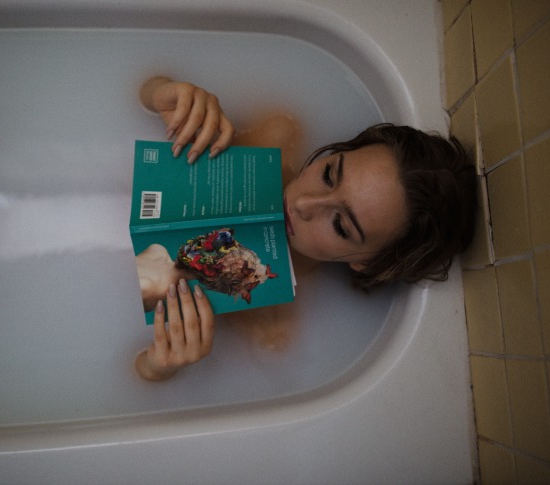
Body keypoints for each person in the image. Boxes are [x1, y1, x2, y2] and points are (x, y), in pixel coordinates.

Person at [133, 76, 477, 381]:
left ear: (367, 263)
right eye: (329, 174)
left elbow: (137, 374)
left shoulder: (269, 320)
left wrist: (160, 366)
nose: (302, 204)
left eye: (340, 225)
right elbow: (143, 92)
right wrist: (166, 95)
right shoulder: (274, 134)